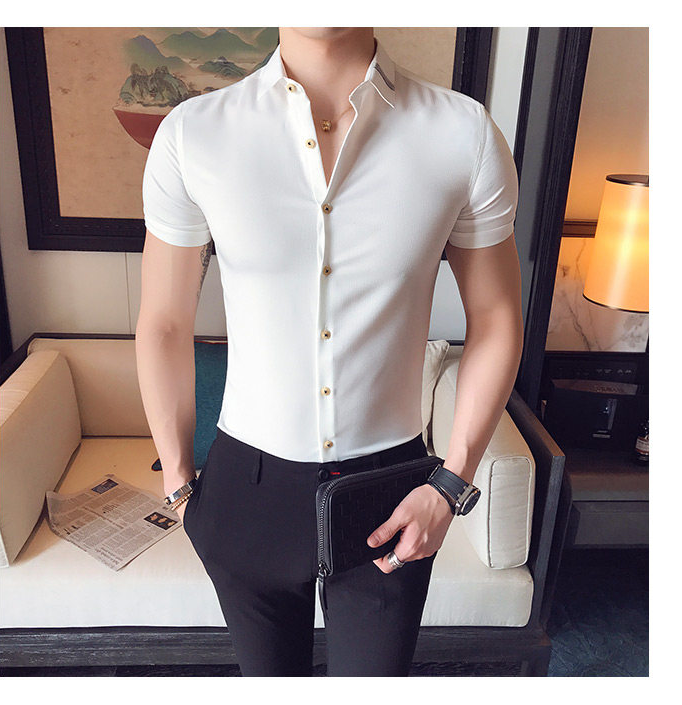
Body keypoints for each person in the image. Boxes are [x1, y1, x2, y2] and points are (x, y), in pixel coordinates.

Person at [135, 27, 523, 677]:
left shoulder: (462, 133)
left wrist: (451, 485)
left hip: (392, 493)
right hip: (244, 492)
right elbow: (164, 322)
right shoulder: (193, 135)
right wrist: (178, 483)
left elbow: (497, 316)